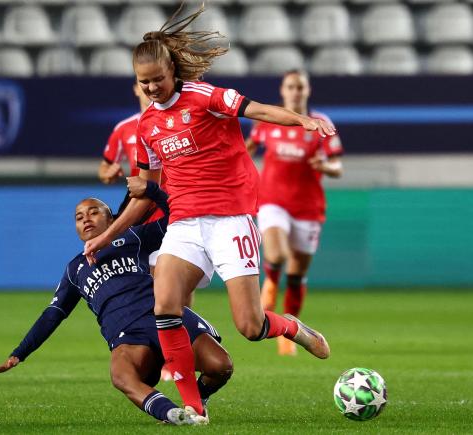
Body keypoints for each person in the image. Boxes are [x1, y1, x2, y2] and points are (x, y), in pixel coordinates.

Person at [83, 3, 333, 420]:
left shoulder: (205, 97)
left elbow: (257, 110)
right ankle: (194, 408)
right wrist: (107, 235)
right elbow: (146, 193)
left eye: (158, 80)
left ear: (173, 73)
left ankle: (291, 325)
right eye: (144, 83)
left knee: (249, 327)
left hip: (231, 219)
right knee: (165, 305)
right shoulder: (145, 128)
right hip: (182, 224)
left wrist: (301, 121)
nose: (152, 89)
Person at [0, 178, 232, 426]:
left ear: (112, 219)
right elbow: (53, 314)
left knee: (221, 366)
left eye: (94, 212)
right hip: (128, 335)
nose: (86, 219)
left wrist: (153, 190)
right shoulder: (75, 269)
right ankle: (174, 416)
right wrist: (19, 354)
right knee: (121, 376)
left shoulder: (133, 238)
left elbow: (176, 219)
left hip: (165, 317)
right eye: (79, 217)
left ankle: (198, 399)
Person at [246, 70, 344, 356]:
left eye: (300, 87)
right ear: (283, 90)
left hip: (308, 207)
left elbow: (338, 166)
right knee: (276, 255)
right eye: (291, 86)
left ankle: (290, 333)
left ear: (307, 90)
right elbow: (247, 149)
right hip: (272, 200)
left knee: (298, 274)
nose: (296, 92)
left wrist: (325, 167)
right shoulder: (269, 122)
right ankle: (269, 291)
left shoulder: (321, 124)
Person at [98, 83, 150, 185]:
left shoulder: (177, 123)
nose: (150, 87)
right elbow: (104, 167)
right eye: (144, 81)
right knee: (89, 202)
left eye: (156, 80)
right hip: (141, 198)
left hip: (175, 197)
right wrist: (108, 174)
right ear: (136, 89)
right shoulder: (123, 128)